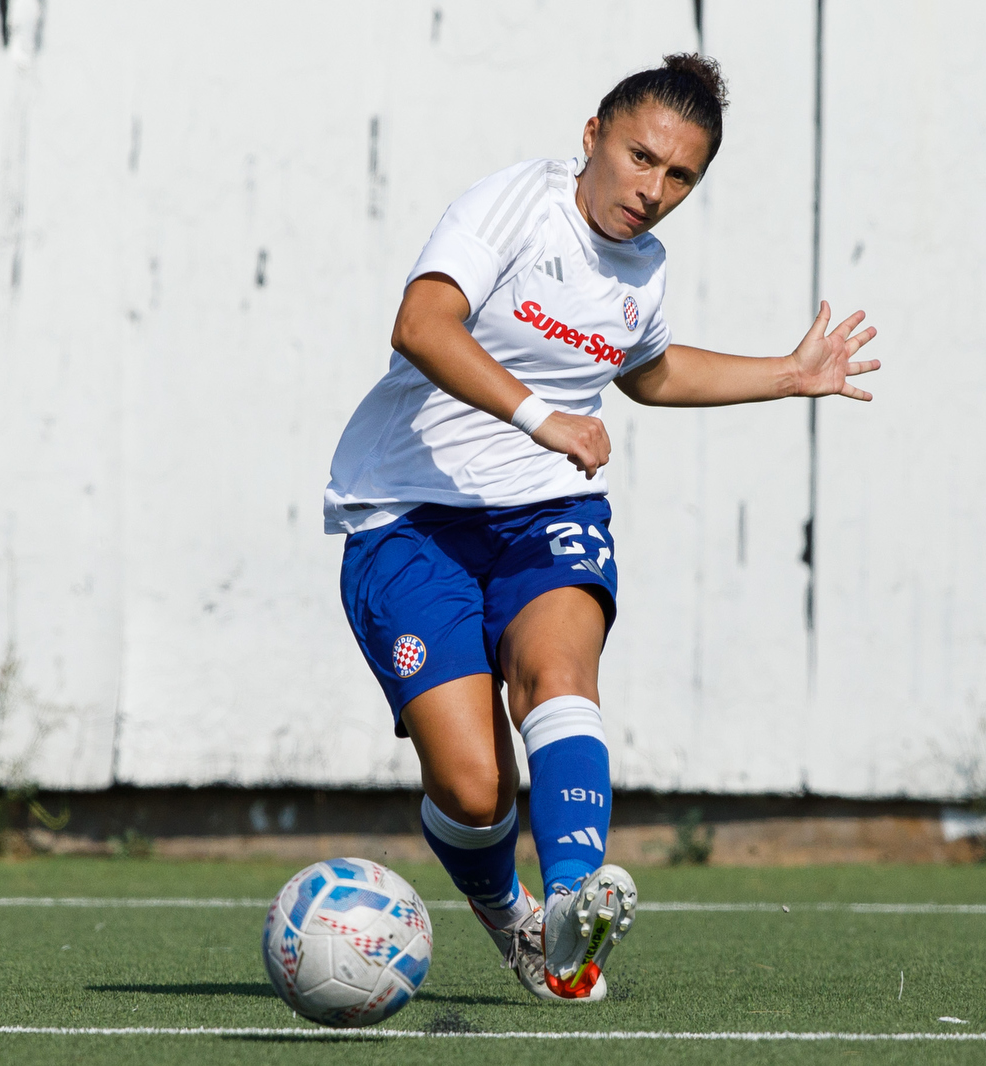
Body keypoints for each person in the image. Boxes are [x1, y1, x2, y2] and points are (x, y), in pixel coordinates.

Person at [325, 53, 878, 1002]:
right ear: (592, 137)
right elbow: (421, 324)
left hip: (546, 510)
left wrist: (786, 374)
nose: (652, 191)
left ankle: (576, 899)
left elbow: (648, 373)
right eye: (639, 158)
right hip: (407, 518)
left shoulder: (644, 269)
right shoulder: (516, 205)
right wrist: (544, 417)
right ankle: (518, 923)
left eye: (680, 178)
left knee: (557, 673)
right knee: (473, 790)